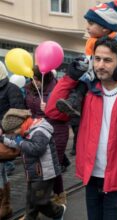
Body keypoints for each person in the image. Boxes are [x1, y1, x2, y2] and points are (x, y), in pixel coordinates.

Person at [45, 37, 117, 220]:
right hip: (91, 177)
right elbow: (53, 112)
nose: (100, 65)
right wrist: (70, 78)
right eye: (97, 59)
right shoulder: (87, 92)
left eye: (107, 60)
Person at [56, 0, 117, 119]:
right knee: (85, 77)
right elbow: (89, 58)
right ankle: (74, 100)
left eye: (91, 23)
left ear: (105, 27)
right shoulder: (91, 42)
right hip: (99, 74)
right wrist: (83, 64)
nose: (87, 27)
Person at [0, 108, 65, 220]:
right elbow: (18, 143)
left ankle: (58, 212)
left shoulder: (39, 131)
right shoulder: (27, 130)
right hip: (34, 172)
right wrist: (3, 139)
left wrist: (20, 141)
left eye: (13, 132)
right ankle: (30, 218)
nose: (14, 135)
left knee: (39, 200)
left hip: (44, 173)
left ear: (19, 126)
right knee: (31, 198)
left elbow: (37, 149)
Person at [25, 66, 69, 205]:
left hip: (56, 130)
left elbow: (68, 114)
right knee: (36, 166)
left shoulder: (58, 88)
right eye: (33, 79)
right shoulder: (30, 88)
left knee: (53, 166)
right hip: (36, 130)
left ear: (45, 77)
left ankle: (59, 195)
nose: (34, 82)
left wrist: (51, 108)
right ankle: (38, 201)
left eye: (37, 79)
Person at [0, 61, 26, 219]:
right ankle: (5, 205)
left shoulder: (11, 88)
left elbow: (18, 113)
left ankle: (4, 205)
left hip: (4, 138)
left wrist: (2, 128)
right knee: (2, 172)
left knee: (1, 172)